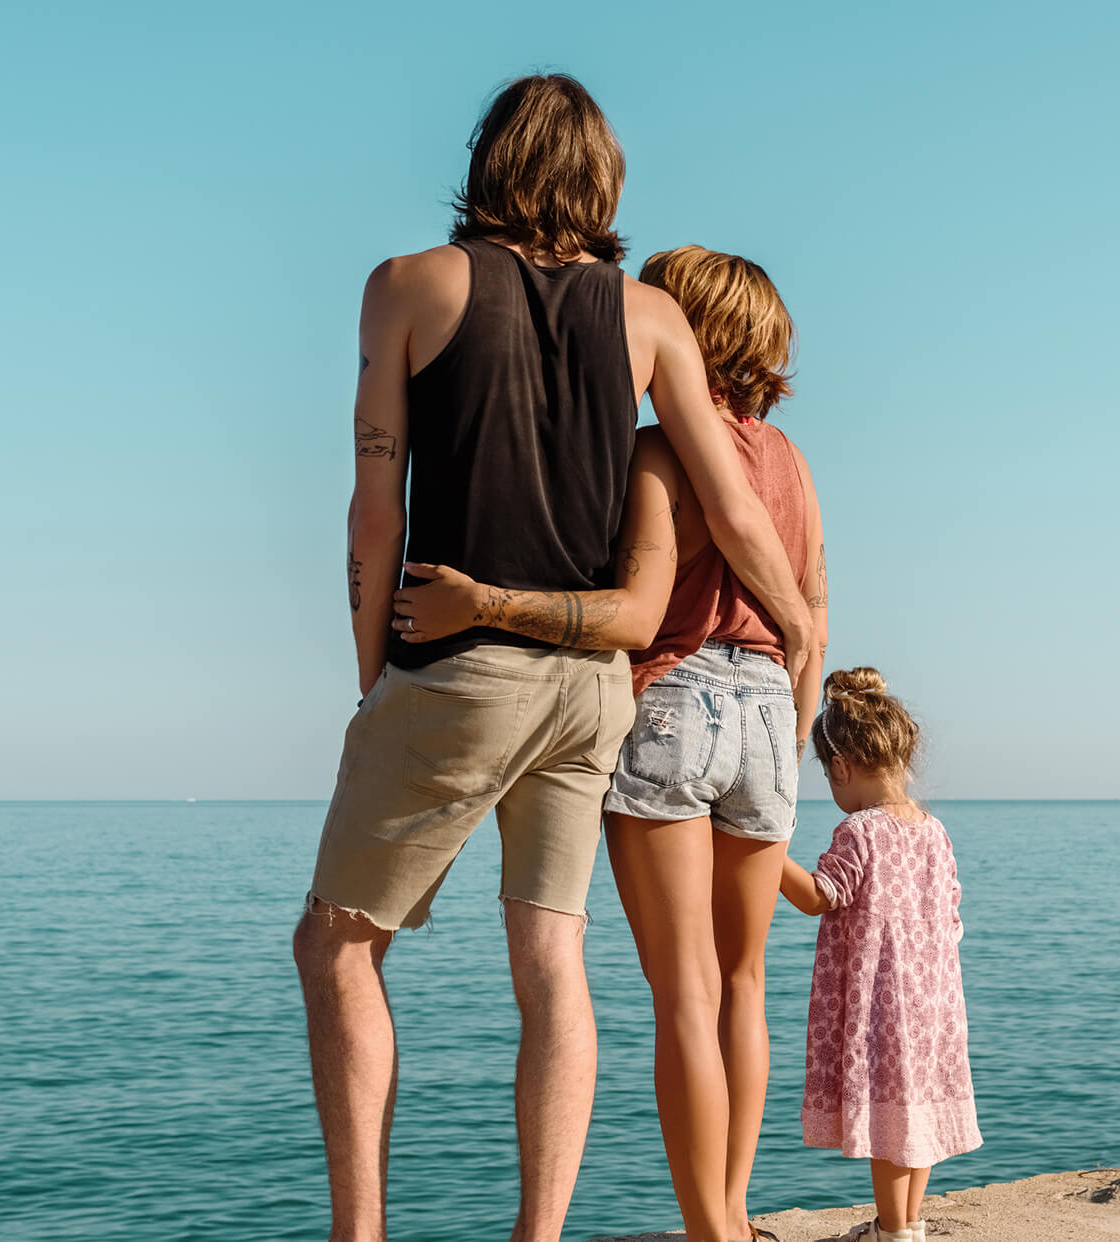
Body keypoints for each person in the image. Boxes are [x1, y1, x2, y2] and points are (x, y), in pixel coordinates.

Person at [291, 75, 813, 1242]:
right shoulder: (648, 316)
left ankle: (359, 1233)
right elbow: (734, 510)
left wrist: (373, 667)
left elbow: (375, 509)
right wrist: (800, 628)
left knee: (335, 944)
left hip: (462, 666)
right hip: (592, 698)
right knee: (551, 958)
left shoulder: (407, 286)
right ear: (602, 177)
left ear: (488, 160)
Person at [394, 244, 827, 1242]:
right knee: (745, 986)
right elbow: (813, 613)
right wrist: (790, 738)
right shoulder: (795, 465)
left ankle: (709, 1233)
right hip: (770, 708)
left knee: (684, 992)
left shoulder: (659, 450)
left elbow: (637, 602)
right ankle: (738, 1213)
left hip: (677, 699)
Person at [779, 669, 981, 1242]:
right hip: (935, 1004)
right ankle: (905, 1223)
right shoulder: (934, 831)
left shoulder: (859, 830)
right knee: (915, 1118)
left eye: (827, 774)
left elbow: (820, 896)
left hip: (884, 1007)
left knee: (890, 1126)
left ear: (841, 765)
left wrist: (766, 854)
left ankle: (894, 1234)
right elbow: (952, 916)